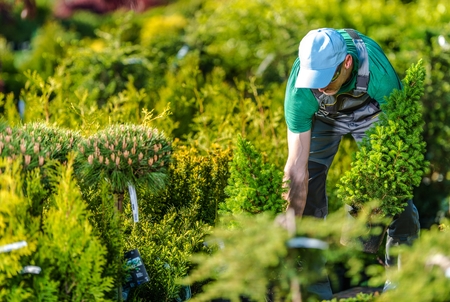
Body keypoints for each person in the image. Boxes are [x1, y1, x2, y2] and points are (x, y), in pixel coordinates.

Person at [283, 28, 420, 299]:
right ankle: (314, 291)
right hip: (323, 117)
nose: (320, 87)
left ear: (347, 62)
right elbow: (296, 168)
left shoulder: (380, 76)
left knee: (399, 202)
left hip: (371, 112)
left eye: (326, 78)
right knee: (306, 192)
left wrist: (369, 208)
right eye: (314, 80)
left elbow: (397, 157)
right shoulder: (302, 91)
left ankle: (402, 288)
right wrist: (288, 225)